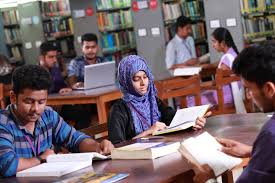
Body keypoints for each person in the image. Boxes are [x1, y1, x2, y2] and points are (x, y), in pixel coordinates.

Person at [0, 65, 114, 177]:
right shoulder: (3, 123)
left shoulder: (48, 116)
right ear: (13, 97)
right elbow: (7, 165)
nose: (36, 109)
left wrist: (97, 147)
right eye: (29, 102)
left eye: (41, 102)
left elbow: (75, 139)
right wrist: (41, 158)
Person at [193, 42, 275, 183]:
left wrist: (207, 181)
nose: (248, 96)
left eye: (249, 89)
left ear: (269, 89)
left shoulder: (270, 134)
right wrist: (252, 150)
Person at [108, 55, 211, 144]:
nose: (143, 83)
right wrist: (148, 132)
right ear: (126, 81)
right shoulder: (119, 110)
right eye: (136, 79)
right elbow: (116, 147)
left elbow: (173, 118)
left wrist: (193, 122)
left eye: (145, 77)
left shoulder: (153, 101)